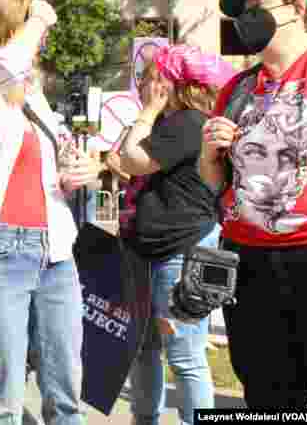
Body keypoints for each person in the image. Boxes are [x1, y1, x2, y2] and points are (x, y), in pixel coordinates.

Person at [0, 0, 101, 425]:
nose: (44, 40)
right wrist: (39, 19)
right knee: (2, 400)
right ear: (10, 26)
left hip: (55, 250)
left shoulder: (35, 97)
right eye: (33, 26)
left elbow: (49, 171)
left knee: (66, 390)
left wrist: (79, 172)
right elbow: (6, 64)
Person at [200, 0, 307, 408]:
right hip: (249, 262)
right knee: (267, 397)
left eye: (257, 9)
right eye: (242, 15)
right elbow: (214, 183)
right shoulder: (237, 87)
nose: (247, 21)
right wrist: (209, 157)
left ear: (297, 9)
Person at [117, 45, 236, 425]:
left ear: (171, 83)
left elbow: (131, 160)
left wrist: (148, 111)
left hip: (180, 252)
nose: (143, 84)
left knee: (184, 356)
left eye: (150, 77)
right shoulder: (178, 124)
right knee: (144, 350)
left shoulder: (187, 122)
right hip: (148, 251)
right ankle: (144, 419)